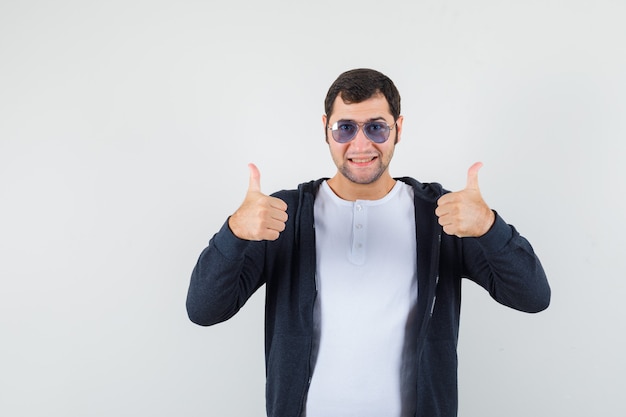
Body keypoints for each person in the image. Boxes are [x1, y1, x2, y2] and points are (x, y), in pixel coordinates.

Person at [186, 68, 551, 417]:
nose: (360, 144)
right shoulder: (282, 216)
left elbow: (532, 296)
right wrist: (234, 233)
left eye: (376, 128)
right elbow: (204, 310)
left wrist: (489, 227)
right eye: (345, 128)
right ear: (326, 131)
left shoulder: (442, 216)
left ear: (399, 129)